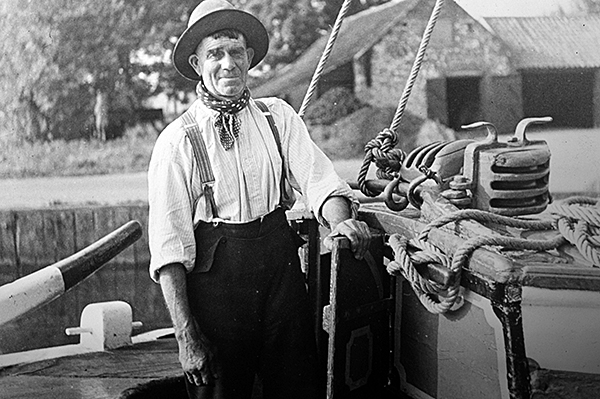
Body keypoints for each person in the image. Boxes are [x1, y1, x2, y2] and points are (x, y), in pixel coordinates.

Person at [147, 0, 371, 398]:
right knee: (221, 390)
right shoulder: (178, 140)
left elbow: (320, 181)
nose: (227, 64)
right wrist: (187, 337)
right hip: (216, 282)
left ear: (249, 58)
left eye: (235, 52)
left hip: (279, 266)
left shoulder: (278, 117)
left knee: (297, 383)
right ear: (198, 64)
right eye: (215, 54)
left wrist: (341, 222)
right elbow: (168, 248)